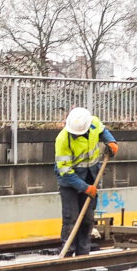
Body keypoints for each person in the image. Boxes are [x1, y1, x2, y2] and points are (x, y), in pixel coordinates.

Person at [55, 106, 118, 257]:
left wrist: (111, 142)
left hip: (91, 176)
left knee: (88, 219)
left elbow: (103, 131)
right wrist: (84, 187)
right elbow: (65, 171)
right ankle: (68, 254)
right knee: (71, 219)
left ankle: (83, 254)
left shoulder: (93, 122)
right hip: (70, 181)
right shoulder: (63, 139)